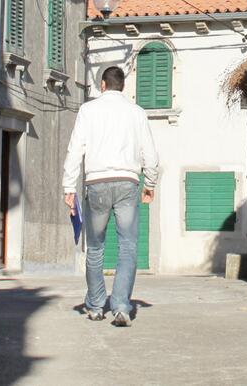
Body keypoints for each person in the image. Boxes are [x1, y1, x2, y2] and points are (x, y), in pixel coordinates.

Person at [62, 65, 160, 326]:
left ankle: (95, 306)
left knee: (95, 247)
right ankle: (121, 307)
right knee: (128, 247)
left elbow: (75, 151)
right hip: (128, 183)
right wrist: (150, 183)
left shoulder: (87, 110)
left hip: (96, 183)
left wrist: (69, 187)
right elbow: (149, 154)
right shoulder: (137, 113)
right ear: (123, 87)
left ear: (102, 85)